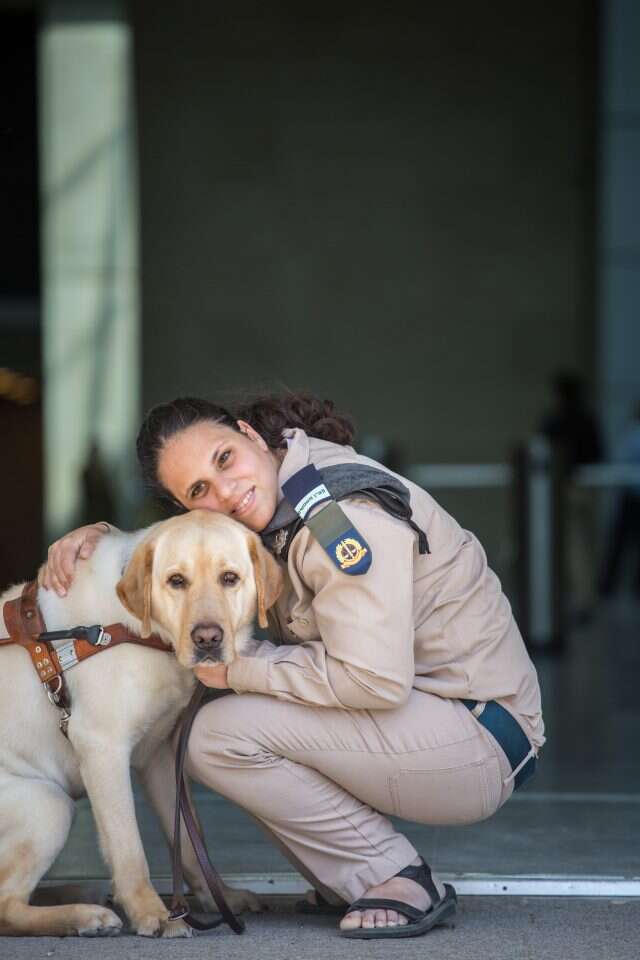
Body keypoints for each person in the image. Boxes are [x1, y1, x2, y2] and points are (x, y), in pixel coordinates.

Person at [42, 392, 545, 940]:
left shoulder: (338, 518)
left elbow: (371, 679)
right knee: (231, 715)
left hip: (478, 738)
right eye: (198, 491)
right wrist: (104, 541)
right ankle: (351, 878)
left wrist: (238, 669)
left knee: (218, 734)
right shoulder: (275, 503)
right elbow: (190, 555)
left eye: (224, 459)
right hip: (437, 720)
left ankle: (395, 876)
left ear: (250, 435)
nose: (225, 491)